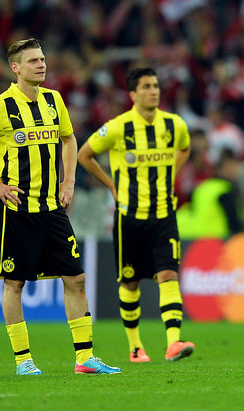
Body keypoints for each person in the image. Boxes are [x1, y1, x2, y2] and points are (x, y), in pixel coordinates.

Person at [0, 38, 120, 376]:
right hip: (17, 209)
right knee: (15, 284)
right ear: (15, 68)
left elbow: (70, 139)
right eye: (33, 61)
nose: (41, 65)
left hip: (52, 209)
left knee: (76, 278)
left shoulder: (54, 100)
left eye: (42, 59)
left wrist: (68, 180)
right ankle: (23, 360)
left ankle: (85, 358)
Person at [77, 66, 195, 363]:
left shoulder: (174, 124)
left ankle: (173, 343)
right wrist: (110, 185)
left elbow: (185, 148)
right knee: (130, 282)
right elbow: (84, 155)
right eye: (145, 86)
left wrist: (170, 175)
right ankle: (135, 347)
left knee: (168, 275)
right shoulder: (117, 127)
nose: (153, 91)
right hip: (129, 217)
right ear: (132, 94)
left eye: (155, 85)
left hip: (164, 215)